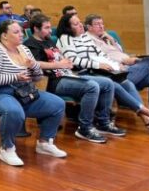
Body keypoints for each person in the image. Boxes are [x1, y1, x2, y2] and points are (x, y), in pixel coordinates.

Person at [57, 13, 149, 135]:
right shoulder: (65, 38)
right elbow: (73, 61)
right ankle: (148, 114)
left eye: (80, 22)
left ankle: (146, 117)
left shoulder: (84, 37)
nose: (80, 25)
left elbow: (101, 55)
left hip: (99, 70)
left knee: (126, 83)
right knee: (116, 84)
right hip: (82, 73)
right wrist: (98, 65)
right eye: (76, 24)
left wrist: (115, 65)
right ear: (68, 27)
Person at [0, 21, 67, 166]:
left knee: (57, 104)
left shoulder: (24, 49)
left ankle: (44, 143)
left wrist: (34, 67)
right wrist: (15, 77)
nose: (21, 35)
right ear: (5, 36)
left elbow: (37, 78)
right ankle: (7, 149)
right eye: (16, 32)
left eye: (21, 32)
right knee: (12, 111)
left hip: (22, 92)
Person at [23, 14, 112, 143]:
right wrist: (59, 64)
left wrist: (66, 62)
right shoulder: (30, 44)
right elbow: (35, 64)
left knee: (107, 83)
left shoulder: (49, 40)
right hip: (52, 81)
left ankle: (104, 122)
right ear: (36, 29)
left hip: (67, 74)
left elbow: (58, 57)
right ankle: (85, 128)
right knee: (91, 86)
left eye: (49, 27)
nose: (50, 30)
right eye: (46, 28)